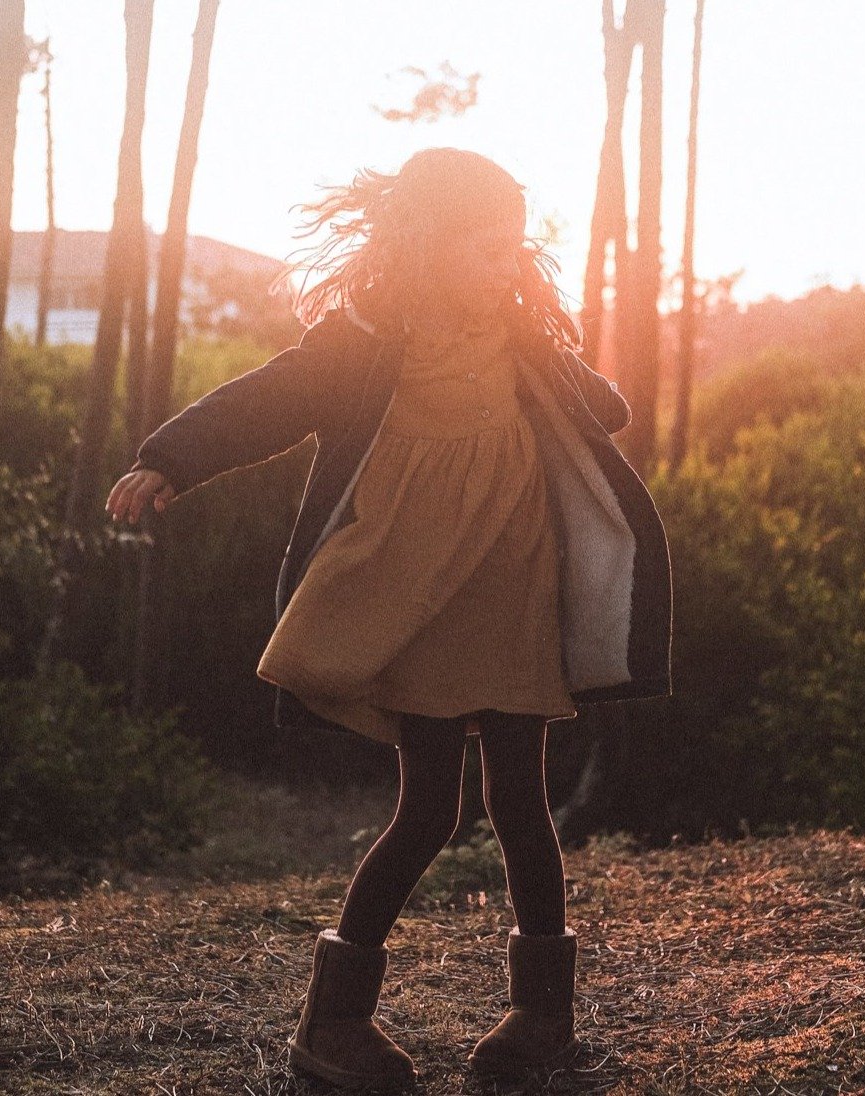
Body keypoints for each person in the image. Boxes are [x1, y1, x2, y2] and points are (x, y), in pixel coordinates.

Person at [106, 147, 672, 1089]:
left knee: (523, 802)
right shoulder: (367, 341)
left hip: (511, 587)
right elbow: (269, 399)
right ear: (425, 246)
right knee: (428, 809)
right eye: (484, 249)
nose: (505, 266)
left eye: (513, 249)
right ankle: (333, 1026)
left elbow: (600, 410)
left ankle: (540, 1019)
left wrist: (567, 379)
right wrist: (172, 457)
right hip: (417, 597)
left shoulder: (525, 340)